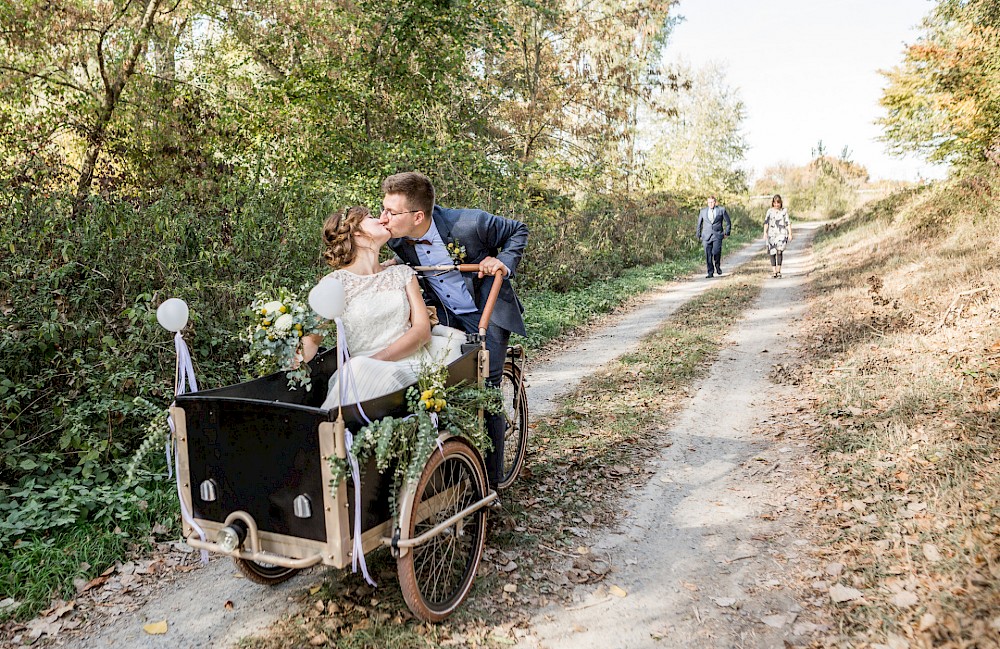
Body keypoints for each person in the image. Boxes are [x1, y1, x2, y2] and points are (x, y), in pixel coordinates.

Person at [378, 171, 529, 489]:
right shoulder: (395, 237)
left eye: (391, 212)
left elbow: (518, 230)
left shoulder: (469, 223)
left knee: (486, 388)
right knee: (442, 384)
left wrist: (501, 262)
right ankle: (453, 468)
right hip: (445, 316)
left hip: (486, 311)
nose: (384, 218)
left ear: (418, 216)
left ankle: (492, 483)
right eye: (383, 209)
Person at [300, 206, 464, 409]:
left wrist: (377, 360)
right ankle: (331, 434)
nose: (382, 219)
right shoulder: (335, 283)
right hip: (360, 371)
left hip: (410, 363)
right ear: (357, 232)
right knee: (357, 372)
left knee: (359, 369)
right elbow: (312, 340)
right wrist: (287, 351)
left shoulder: (402, 274)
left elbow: (422, 332)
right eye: (371, 217)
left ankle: (331, 432)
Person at [696, 195, 731, 278]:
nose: (710, 204)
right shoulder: (703, 211)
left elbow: (728, 222)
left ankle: (717, 265)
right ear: (707, 203)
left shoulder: (721, 210)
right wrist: (698, 234)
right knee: (708, 254)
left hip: (717, 235)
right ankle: (710, 272)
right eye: (709, 202)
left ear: (715, 202)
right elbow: (699, 224)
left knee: (716, 252)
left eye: (712, 202)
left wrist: (727, 232)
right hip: (706, 236)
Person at [763, 194, 791, 278]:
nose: (776, 205)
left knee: (779, 251)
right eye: (775, 203)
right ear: (773, 203)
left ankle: (778, 270)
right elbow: (766, 222)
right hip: (771, 234)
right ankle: (774, 271)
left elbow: (787, 222)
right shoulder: (769, 211)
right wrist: (765, 232)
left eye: (778, 203)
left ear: (780, 203)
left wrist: (790, 233)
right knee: (772, 253)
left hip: (781, 234)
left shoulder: (784, 211)